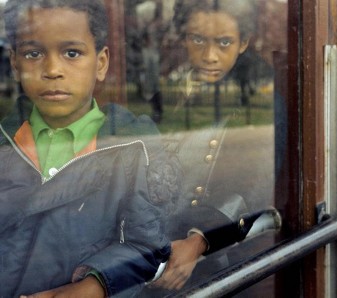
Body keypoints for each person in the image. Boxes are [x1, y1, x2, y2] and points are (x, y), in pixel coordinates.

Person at [0, 0, 179, 297]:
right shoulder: (6, 140)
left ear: (101, 63)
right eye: (34, 53)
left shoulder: (132, 146)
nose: (53, 69)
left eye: (72, 53)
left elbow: (148, 245)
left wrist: (92, 286)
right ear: (15, 63)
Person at [141, 0, 274, 295]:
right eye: (197, 39)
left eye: (224, 42)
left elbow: (253, 185)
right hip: (151, 240)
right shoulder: (169, 92)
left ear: (243, 43)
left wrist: (198, 240)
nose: (209, 56)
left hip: (213, 254)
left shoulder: (255, 98)